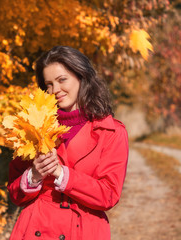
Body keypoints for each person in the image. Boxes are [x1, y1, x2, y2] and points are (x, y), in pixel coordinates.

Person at [7, 46, 129, 240]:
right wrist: (34, 175)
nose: (55, 90)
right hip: (35, 228)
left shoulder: (111, 131)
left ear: (82, 77)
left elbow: (109, 194)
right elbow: (15, 193)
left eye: (62, 80)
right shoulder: (35, 127)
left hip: (83, 230)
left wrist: (61, 174)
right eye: (48, 84)